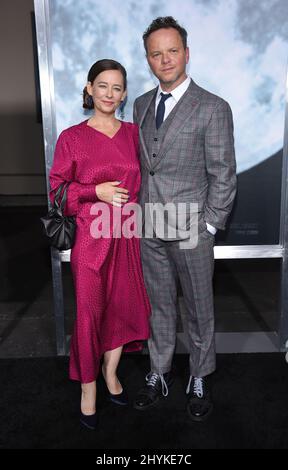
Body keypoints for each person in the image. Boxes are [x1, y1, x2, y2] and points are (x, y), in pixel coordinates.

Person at [133, 17, 237, 421]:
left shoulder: (212, 107)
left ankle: (199, 375)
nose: (165, 59)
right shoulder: (141, 104)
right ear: (148, 60)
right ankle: (159, 372)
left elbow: (223, 172)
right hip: (149, 226)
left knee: (198, 307)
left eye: (172, 50)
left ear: (186, 53)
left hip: (193, 228)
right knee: (158, 307)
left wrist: (209, 224)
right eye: (156, 53)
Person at [49, 59, 150, 430]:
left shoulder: (132, 133)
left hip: (128, 236)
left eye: (118, 88)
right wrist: (96, 191)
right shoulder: (71, 138)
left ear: (124, 94)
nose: (110, 94)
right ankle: (88, 387)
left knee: (123, 310)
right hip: (91, 241)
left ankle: (110, 373)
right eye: (103, 86)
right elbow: (57, 193)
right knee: (90, 313)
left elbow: (148, 182)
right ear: (89, 88)